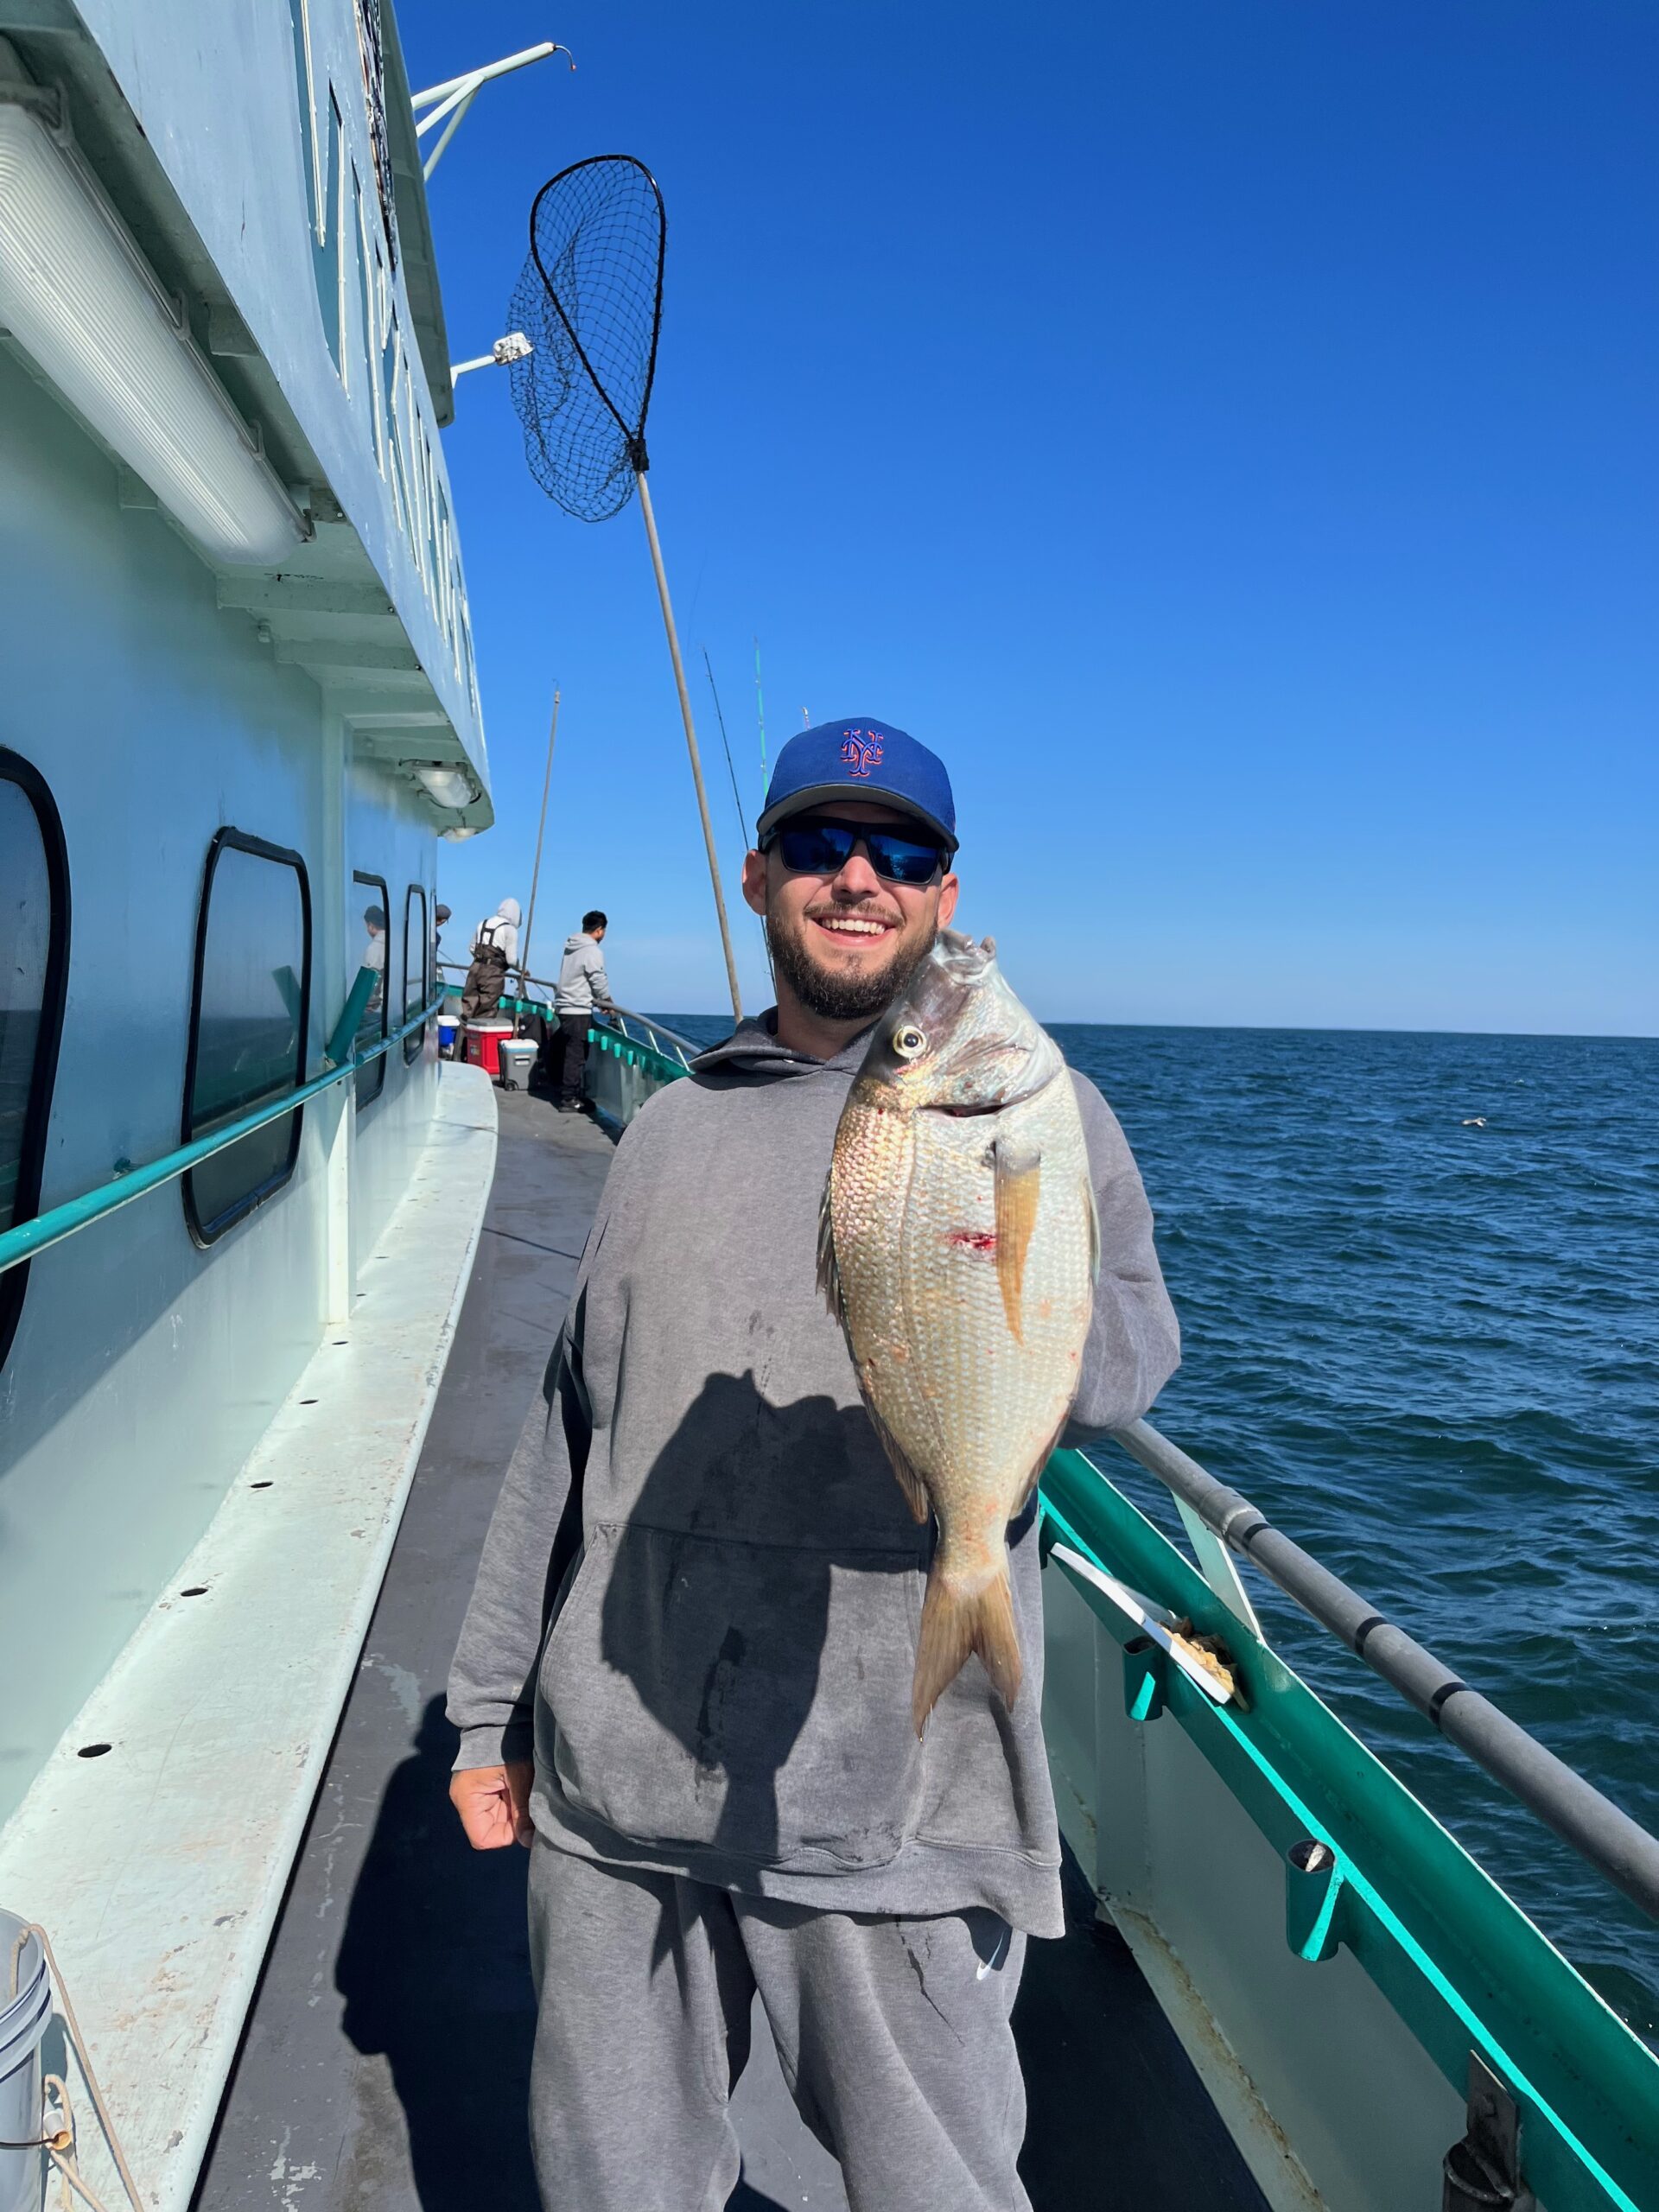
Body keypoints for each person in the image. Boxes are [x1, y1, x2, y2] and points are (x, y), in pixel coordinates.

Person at [447, 719, 1179, 2212]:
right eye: (823, 846)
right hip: (613, 1789)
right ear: (757, 878)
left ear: (946, 896)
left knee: (937, 2184)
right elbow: (562, 1429)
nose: (861, 878)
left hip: (895, 1799)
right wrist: (480, 1715)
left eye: (901, 852)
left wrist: (1001, 1275)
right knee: (611, 2181)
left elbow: (1122, 1371)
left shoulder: (1049, 1109)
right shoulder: (662, 1127)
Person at [549, 909, 613, 1113]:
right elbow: (597, 979)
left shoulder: (571, 947)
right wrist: (607, 1002)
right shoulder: (592, 951)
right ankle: (569, 1099)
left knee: (564, 1048)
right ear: (600, 930)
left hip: (564, 1004)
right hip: (577, 1009)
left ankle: (562, 1087)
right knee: (576, 1055)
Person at [461, 898, 520, 1022]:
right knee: (486, 1013)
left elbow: (472, 948)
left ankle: (463, 1040)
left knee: (468, 1011)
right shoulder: (510, 930)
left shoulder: (482, 924)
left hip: (475, 968)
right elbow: (512, 960)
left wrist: (481, 961)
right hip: (492, 974)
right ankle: (478, 1041)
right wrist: (522, 970)